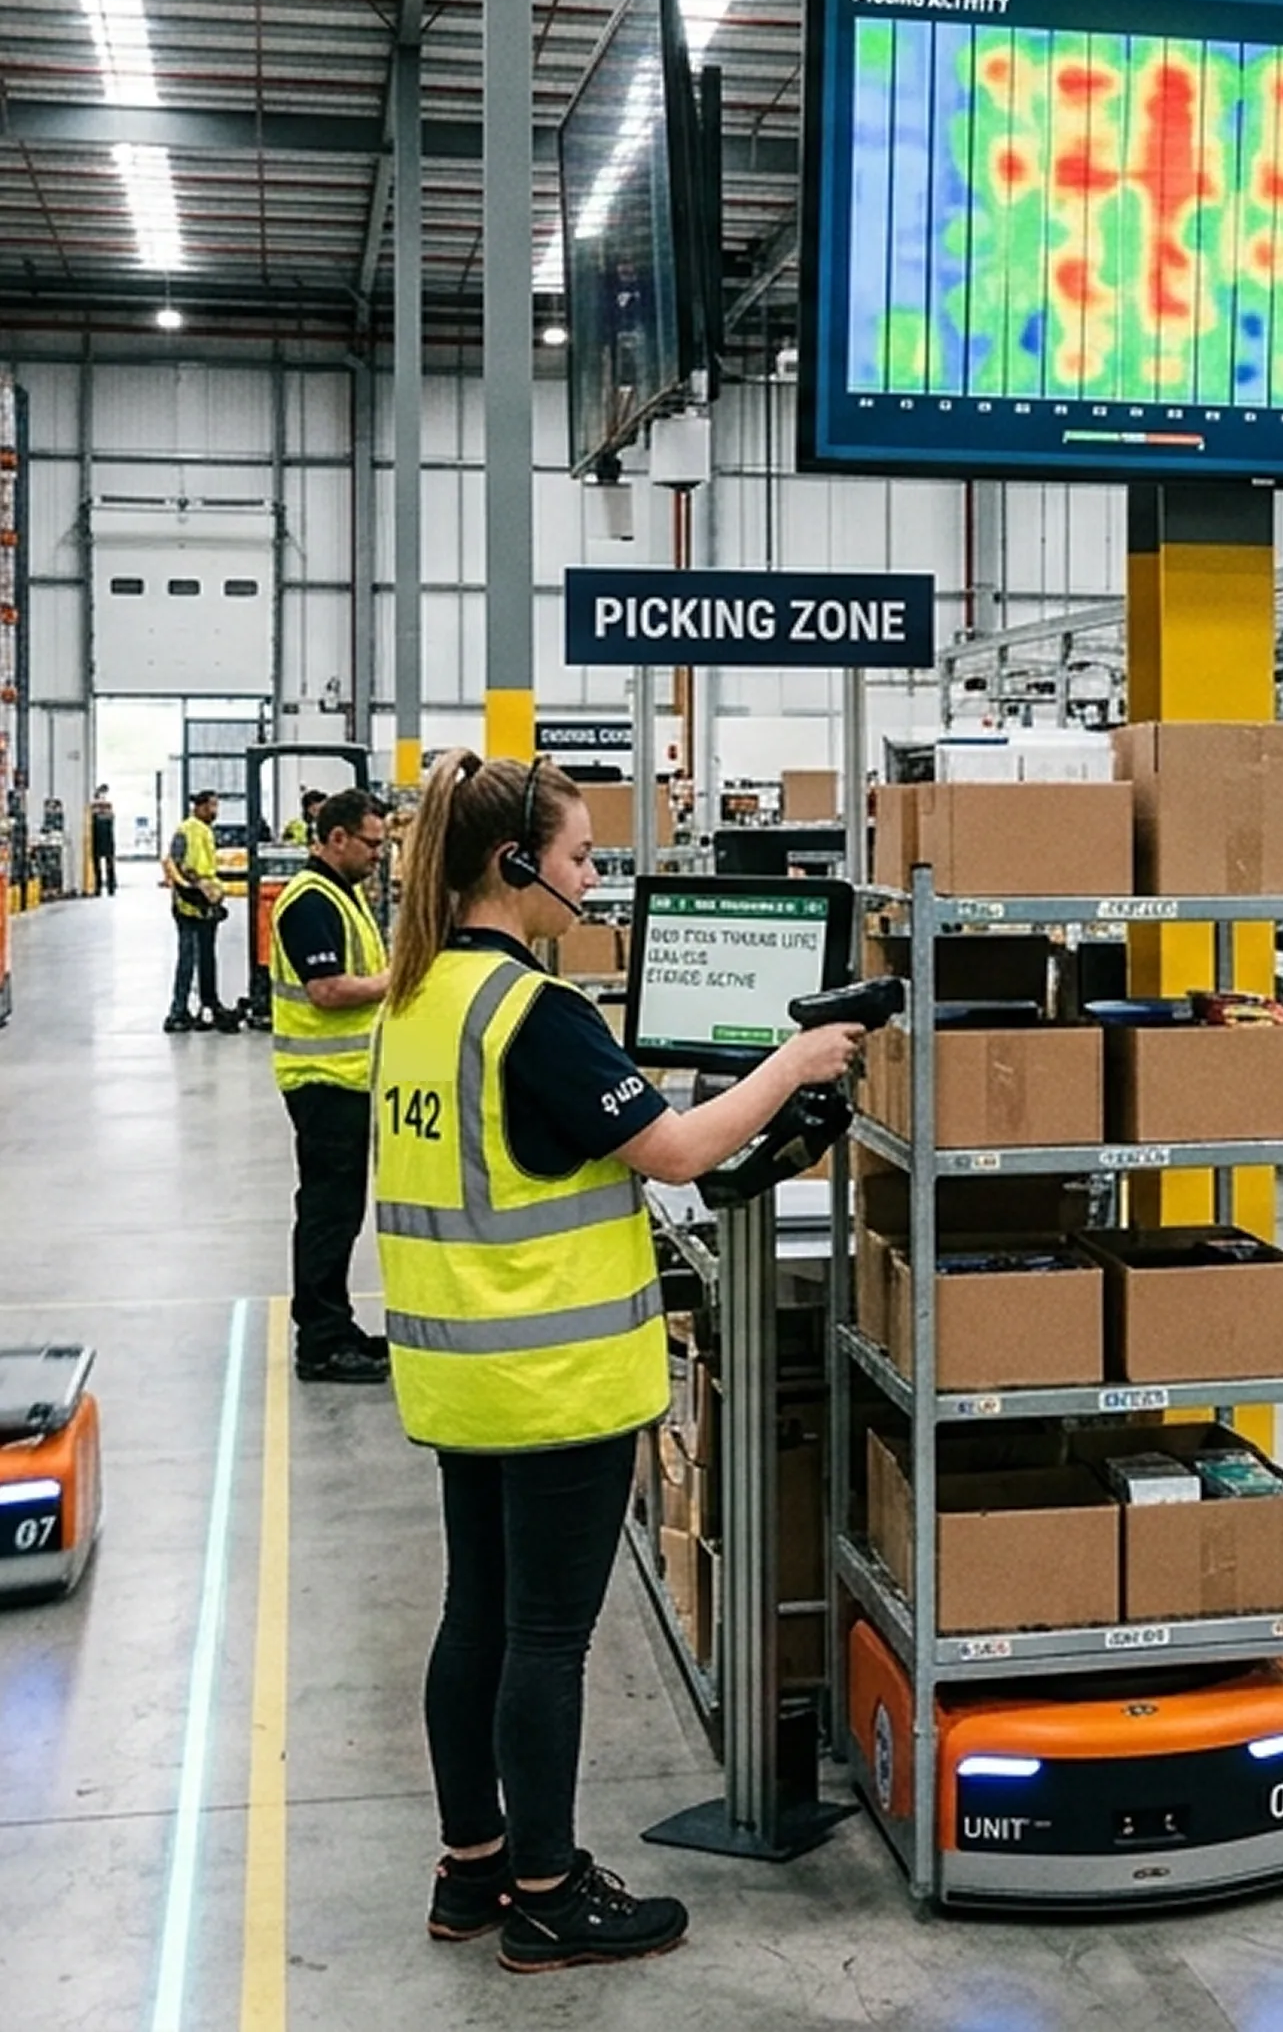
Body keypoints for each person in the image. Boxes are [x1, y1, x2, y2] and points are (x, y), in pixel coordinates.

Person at [378, 751, 866, 1973]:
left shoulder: (420, 999)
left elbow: (549, 1156)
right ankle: (548, 1895)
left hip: (460, 1375)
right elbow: (676, 1149)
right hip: (557, 1382)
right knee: (548, 1639)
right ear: (515, 865)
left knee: (476, 1619)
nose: (594, 877)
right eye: (583, 857)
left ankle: (473, 1868)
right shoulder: (531, 1012)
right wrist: (793, 1067)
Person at [271, 787, 394, 1383]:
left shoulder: (345, 895)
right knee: (327, 1212)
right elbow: (326, 990)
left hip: (349, 1081)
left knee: (342, 1212)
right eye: (372, 843)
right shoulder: (309, 901)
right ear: (337, 837)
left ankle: (336, 1324)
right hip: (322, 1082)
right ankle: (319, 1342)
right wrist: (397, 980)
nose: (379, 854)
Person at [163, 789, 240, 1034]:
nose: (215, 811)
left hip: (206, 902)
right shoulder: (186, 830)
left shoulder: (206, 832)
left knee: (207, 958)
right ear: (198, 807)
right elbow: (171, 862)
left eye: (216, 806)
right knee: (188, 958)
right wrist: (188, 889)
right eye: (211, 806)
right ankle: (178, 1012)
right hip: (188, 904)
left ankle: (210, 1003)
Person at [89, 785, 117, 895]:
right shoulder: (95, 808)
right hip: (100, 839)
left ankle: (106, 887)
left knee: (106, 865)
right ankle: (100, 887)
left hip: (104, 839)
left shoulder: (102, 808)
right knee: (100, 866)